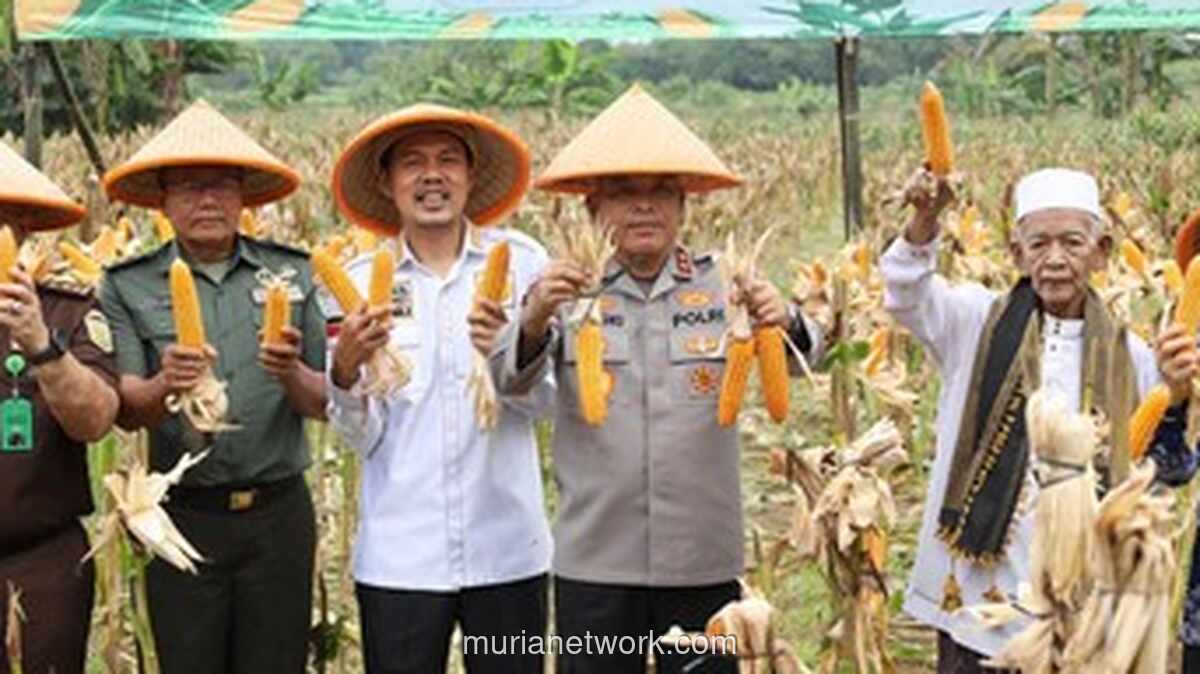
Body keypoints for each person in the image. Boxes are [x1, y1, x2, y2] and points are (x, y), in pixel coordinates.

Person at [492, 83, 825, 674]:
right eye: (622, 194)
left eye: (660, 193)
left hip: (701, 559)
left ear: (683, 206)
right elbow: (509, 382)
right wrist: (536, 313)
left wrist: (788, 319)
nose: (643, 206)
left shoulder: (726, 282)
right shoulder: (564, 291)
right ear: (593, 210)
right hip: (595, 561)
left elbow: (812, 355)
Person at [883, 166, 1198, 673]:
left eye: (1072, 243)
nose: (1054, 259)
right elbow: (905, 294)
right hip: (976, 590)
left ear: (1102, 252)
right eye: (1039, 244)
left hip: (1080, 598)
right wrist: (924, 218)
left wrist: (1179, 392)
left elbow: (1171, 470)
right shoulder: (972, 321)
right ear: (1016, 253)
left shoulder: (1133, 356)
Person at [99, 99, 327, 674]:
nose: (207, 200)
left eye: (222, 186)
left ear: (244, 196)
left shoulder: (293, 273)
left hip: (278, 514)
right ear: (163, 201)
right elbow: (127, 408)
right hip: (180, 514)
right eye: (189, 187)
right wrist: (164, 385)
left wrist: (291, 373)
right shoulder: (127, 284)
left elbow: (325, 401)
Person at [324, 103, 553, 674]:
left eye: (449, 160)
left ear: (472, 177)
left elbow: (547, 402)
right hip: (402, 558)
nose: (432, 176)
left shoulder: (525, 266)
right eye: (413, 163)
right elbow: (360, 437)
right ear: (387, 182)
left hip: (508, 552)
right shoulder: (353, 285)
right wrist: (346, 372)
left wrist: (509, 349)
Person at [0, 139, 120, 674]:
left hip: (41, 560)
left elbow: (95, 420)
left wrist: (41, 345)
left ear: (24, 226)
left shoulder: (69, 311)